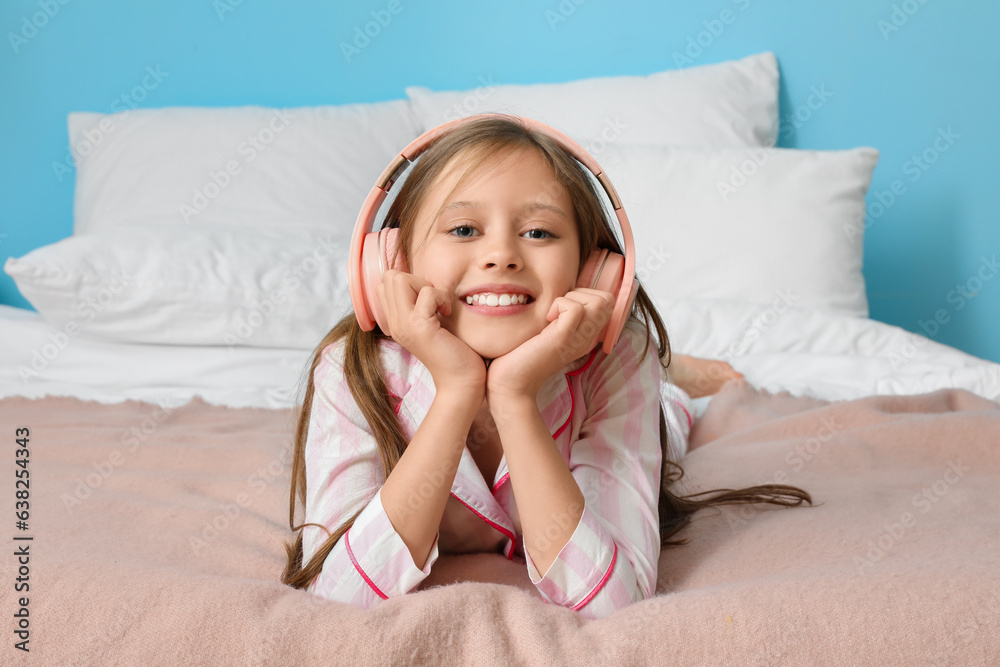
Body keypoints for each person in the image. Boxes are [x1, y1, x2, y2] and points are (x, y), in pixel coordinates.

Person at [280, 115, 811, 619]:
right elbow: (339, 594)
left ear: (595, 272)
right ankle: (679, 378)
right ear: (394, 262)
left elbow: (614, 602)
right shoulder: (352, 368)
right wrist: (458, 388)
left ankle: (676, 384)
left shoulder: (618, 361)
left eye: (538, 233)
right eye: (463, 229)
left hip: (616, 386)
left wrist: (513, 397)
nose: (501, 256)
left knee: (671, 417)